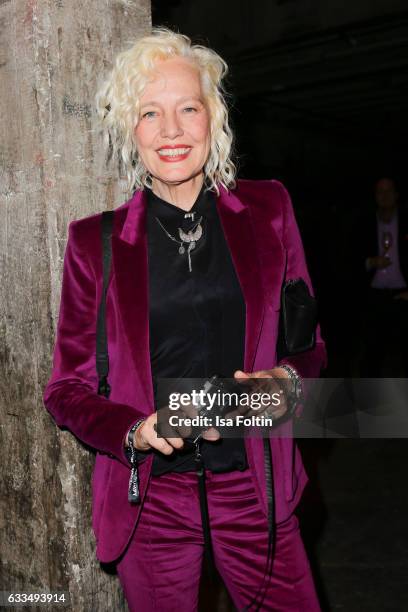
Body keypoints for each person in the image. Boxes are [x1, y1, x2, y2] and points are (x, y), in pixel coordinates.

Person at [43, 27, 327, 612]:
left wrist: (289, 383)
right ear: (129, 129)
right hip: (153, 505)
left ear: (212, 120)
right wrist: (133, 429)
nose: (171, 131)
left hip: (256, 489)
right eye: (150, 113)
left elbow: (309, 347)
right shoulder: (92, 243)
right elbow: (65, 390)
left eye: (187, 109)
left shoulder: (270, 211)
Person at [355, 177, 408, 376]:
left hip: (403, 296)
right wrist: (370, 262)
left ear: (396, 195)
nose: (385, 196)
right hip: (374, 297)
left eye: (389, 191)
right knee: (371, 354)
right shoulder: (364, 223)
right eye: (380, 192)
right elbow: (349, 258)